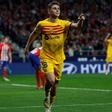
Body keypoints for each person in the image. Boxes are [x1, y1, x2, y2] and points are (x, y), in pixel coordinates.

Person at [24, 1, 85, 112]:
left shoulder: (63, 23)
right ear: (49, 11)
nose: (57, 10)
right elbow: (33, 34)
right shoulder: (42, 24)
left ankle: (49, 101)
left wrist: (80, 21)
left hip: (59, 58)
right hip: (46, 57)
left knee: (54, 84)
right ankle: (47, 100)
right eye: (54, 8)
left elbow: (77, 27)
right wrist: (27, 46)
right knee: (52, 81)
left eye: (58, 9)